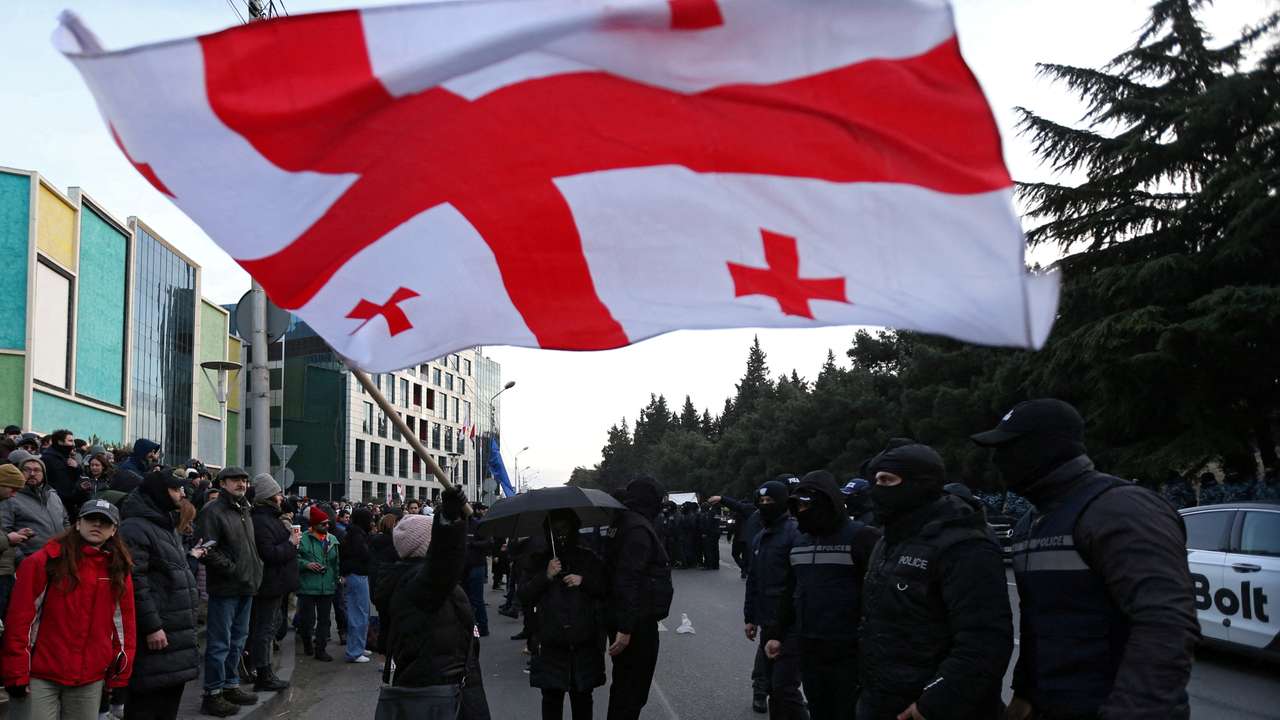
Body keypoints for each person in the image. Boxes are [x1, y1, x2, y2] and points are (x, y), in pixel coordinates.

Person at [971, 399, 1199, 720]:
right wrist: (1024, 692)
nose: (997, 460)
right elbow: (1038, 621)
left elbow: (1165, 625)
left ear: (1046, 447)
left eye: (1007, 448)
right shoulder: (1031, 522)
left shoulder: (1119, 509)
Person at [856, 441, 1012, 720]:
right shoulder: (887, 541)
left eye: (887, 480)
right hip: (881, 699)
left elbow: (983, 641)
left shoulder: (964, 544)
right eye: (875, 481)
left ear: (921, 483)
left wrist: (934, 703)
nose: (877, 490)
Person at [2, 499, 136, 720]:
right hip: (39, 673)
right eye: (91, 519)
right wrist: (16, 673)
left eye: (104, 522)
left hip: (89, 676)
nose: (97, 525)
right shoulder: (43, 561)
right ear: (78, 523)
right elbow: (20, 620)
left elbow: (124, 625)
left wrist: (121, 673)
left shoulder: (118, 568)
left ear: (114, 530)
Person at [763, 471, 879, 720]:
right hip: (809, 645)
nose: (802, 512)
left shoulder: (862, 537)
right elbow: (790, 591)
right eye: (798, 506)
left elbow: (878, 597)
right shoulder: (800, 542)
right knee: (818, 708)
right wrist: (776, 634)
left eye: (807, 505)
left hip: (849, 649)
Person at [378, 491, 492, 720]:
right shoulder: (418, 583)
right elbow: (444, 564)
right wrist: (448, 519)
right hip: (439, 693)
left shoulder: (411, 578)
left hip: (442, 687)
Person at [119, 469, 205, 720]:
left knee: (167, 704)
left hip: (174, 631)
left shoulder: (165, 524)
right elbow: (136, 582)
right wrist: (152, 626)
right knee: (147, 706)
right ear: (159, 492)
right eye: (175, 489)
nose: (181, 495)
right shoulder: (135, 528)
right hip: (158, 634)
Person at [520, 511, 608, 720]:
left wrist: (583, 580)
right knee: (551, 700)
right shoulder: (538, 560)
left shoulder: (587, 557)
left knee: (582, 700)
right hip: (550, 643)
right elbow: (524, 596)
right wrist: (546, 576)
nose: (561, 536)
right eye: (556, 531)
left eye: (565, 530)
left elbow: (605, 588)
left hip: (583, 642)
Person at [196, 467, 264, 715]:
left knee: (237, 640)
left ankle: (230, 685)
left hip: (246, 585)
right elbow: (205, 550)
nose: (242, 484)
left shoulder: (244, 508)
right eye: (236, 480)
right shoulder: (212, 511)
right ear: (223, 483)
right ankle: (213, 693)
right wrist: (233, 569)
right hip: (225, 587)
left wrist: (253, 570)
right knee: (219, 643)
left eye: (244, 480)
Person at [605, 477, 673, 720]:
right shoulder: (638, 528)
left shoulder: (623, 523)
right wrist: (626, 628)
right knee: (632, 690)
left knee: (624, 686)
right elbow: (629, 578)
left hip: (626, 616)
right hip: (636, 623)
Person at [744, 481, 807, 719]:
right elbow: (754, 579)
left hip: (791, 621)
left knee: (784, 687)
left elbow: (799, 582)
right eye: (761, 501)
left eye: (769, 501)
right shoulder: (761, 537)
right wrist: (750, 617)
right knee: (774, 685)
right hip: (768, 619)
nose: (764, 505)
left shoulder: (795, 534)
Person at [249, 473, 299, 692]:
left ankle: (265, 671)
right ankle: (263, 674)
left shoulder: (270, 518)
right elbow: (269, 553)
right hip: (269, 584)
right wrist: (291, 543)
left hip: (276, 583)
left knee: (269, 626)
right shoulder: (262, 521)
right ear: (269, 496)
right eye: (278, 493)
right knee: (265, 629)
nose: (281, 497)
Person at [2, 450, 68, 564]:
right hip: (31, 560)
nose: (32, 473)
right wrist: (22, 560)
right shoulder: (10, 497)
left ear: (43, 474)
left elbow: (65, 522)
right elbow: (4, 533)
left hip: (60, 558)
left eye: (37, 470)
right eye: (27, 470)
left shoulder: (53, 495)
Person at [296, 506, 340, 662]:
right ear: (314, 525)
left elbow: (336, 563)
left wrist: (337, 579)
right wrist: (306, 564)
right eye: (323, 524)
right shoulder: (303, 539)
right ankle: (307, 642)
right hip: (307, 586)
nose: (327, 526)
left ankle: (321, 649)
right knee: (307, 620)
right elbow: (294, 558)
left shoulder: (332, 540)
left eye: (328, 523)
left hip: (326, 586)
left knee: (324, 620)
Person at [340, 508, 375, 663]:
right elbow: (364, 555)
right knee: (358, 614)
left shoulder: (354, 534)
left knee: (361, 613)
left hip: (356, 575)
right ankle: (354, 651)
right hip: (357, 575)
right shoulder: (357, 536)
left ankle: (359, 646)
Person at [0, 464, 33, 618]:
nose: (14, 495)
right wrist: (9, 538)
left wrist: (15, 535)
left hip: (6, 571)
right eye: (12, 489)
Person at [463, 503, 493, 637]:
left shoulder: (478, 524)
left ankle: (483, 628)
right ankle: (470, 628)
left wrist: (472, 543)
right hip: (462, 567)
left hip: (476, 566)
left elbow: (488, 542)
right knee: (465, 599)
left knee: (477, 599)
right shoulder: (458, 525)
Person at [41, 429, 81, 514]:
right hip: (54, 504)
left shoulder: (67, 457)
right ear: (60, 442)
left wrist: (77, 467)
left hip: (69, 503)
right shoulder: (47, 459)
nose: (73, 444)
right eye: (70, 441)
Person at [698, 503, 721, 570]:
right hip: (716, 533)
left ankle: (708, 564)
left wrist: (705, 533)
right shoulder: (717, 513)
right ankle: (716, 565)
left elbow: (708, 524)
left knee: (708, 550)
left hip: (709, 534)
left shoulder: (709, 514)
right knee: (715, 549)